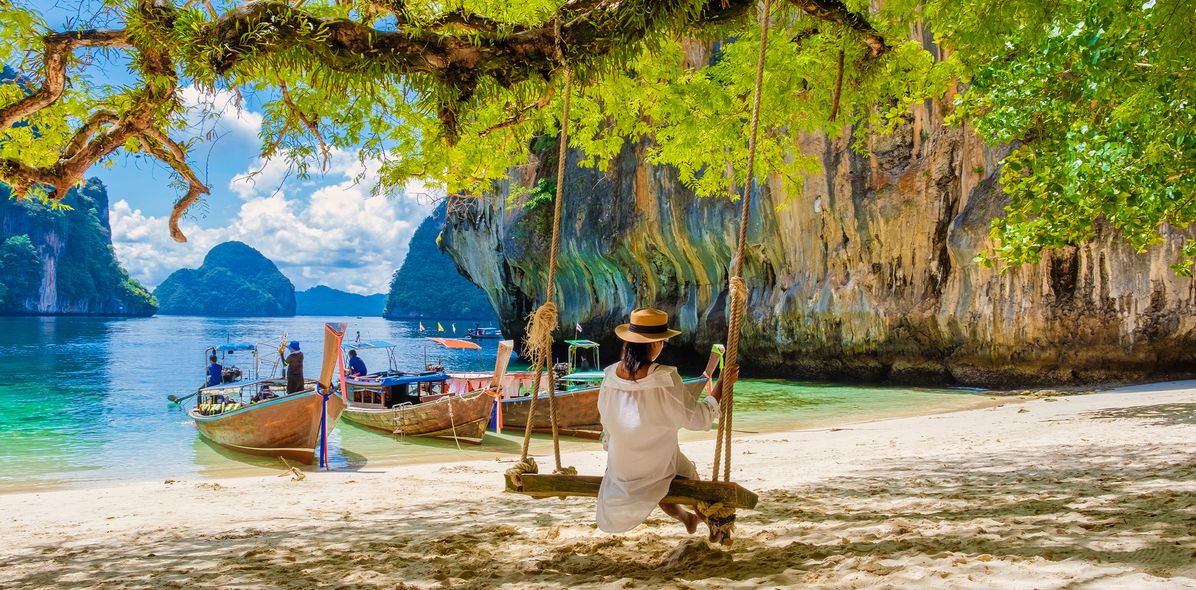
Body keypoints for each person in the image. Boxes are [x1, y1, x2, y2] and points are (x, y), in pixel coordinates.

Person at [596, 307, 736, 537]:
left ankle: (686, 519)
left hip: (621, 469)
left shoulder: (610, 375)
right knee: (685, 476)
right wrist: (723, 383)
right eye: (662, 342)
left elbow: (606, 422)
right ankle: (711, 527)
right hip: (656, 466)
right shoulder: (664, 377)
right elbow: (697, 418)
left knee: (664, 472)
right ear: (655, 344)